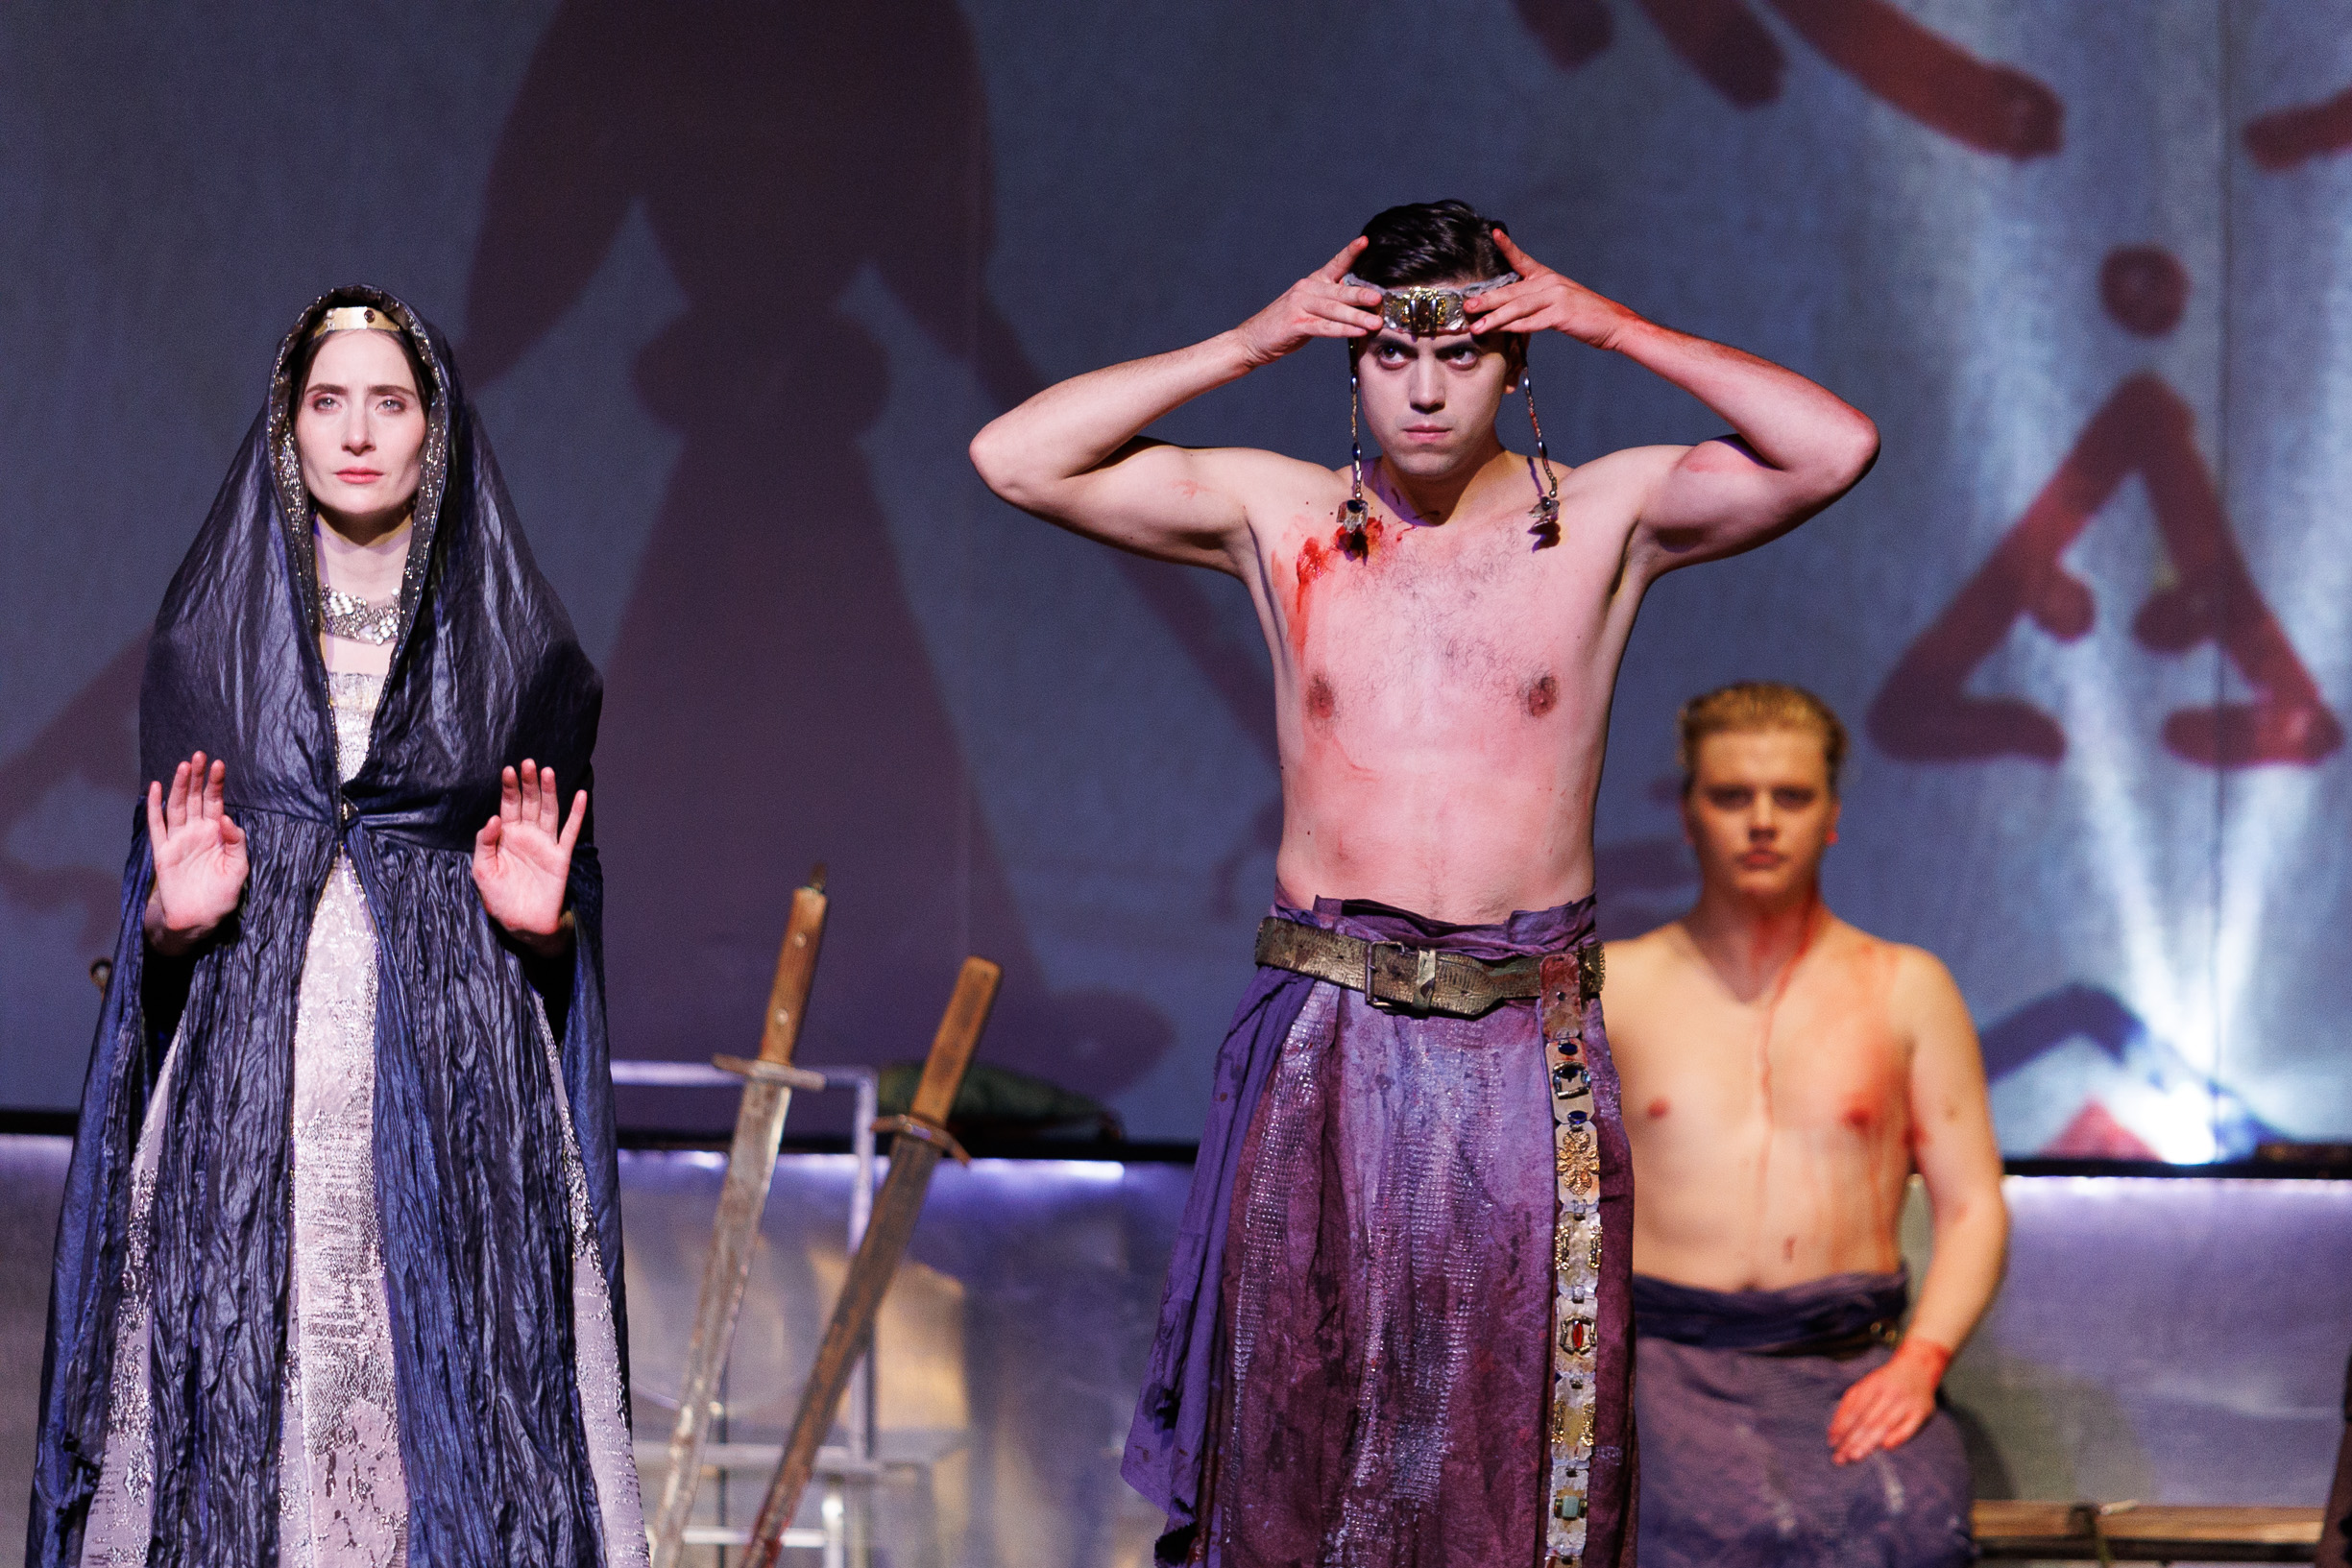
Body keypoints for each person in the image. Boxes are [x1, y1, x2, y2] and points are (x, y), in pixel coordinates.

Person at [969, 201, 1879, 1567]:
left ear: (1513, 362)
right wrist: (1248, 342)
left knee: (1513, 1438)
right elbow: (1014, 457)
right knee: (1294, 1423)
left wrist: (1608, 322)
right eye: (1393, 353)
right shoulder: (1281, 512)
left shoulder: (1602, 516)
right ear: (1354, 364)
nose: (1427, 387)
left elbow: (1833, 447)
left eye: (1460, 352)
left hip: (1523, 1043)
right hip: (1326, 1030)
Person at [28, 289, 645, 1567]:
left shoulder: (520, 658)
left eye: (390, 402)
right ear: (287, 425)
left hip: (462, 1097)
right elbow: (152, 933)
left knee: (453, 1423)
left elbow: (565, 927)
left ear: (437, 428)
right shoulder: (209, 648)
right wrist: (169, 927)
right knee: (251, 1411)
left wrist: (543, 935)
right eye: (327, 401)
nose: (357, 433)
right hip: (252, 1094)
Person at [1601, 683, 2008, 1567]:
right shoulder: (1615, 986)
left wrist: (1920, 1362)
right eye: (1730, 795)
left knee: (1912, 1519)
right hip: (1658, 1369)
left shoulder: (1905, 987)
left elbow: (1973, 1205)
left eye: (1789, 796)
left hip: (1848, 1359)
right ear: (1687, 813)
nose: (1760, 821)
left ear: (1830, 815)